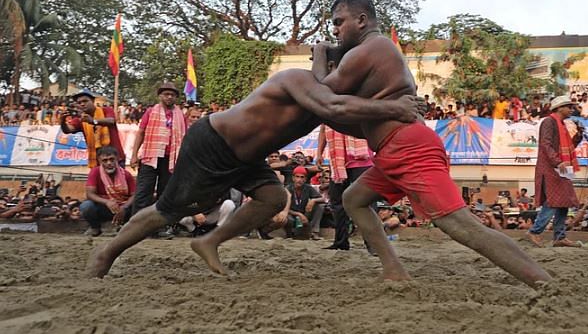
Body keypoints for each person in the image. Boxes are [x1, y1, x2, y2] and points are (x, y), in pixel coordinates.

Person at [86, 61, 423, 278]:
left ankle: (211, 242)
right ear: (332, 69)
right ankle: (107, 254)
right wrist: (393, 105)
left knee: (274, 197)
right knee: (168, 210)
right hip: (213, 143)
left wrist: (399, 120)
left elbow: (356, 124)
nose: (349, 82)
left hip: (247, 159)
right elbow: (334, 103)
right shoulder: (298, 80)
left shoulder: (324, 103)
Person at [310, 0, 550, 288]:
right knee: (353, 199)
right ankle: (394, 270)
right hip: (395, 149)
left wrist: (320, 54)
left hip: (409, 148)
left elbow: (320, 93)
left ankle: (543, 282)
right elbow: (351, 118)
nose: (335, 30)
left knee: (462, 227)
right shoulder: (374, 52)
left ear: (361, 20)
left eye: (339, 21)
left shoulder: (373, 48)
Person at [528, 95, 584, 248]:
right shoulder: (549, 122)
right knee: (553, 201)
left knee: (564, 201)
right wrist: (557, 161)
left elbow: (565, 147)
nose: (571, 109)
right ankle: (534, 231)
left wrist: (578, 137)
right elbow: (545, 145)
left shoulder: (561, 125)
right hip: (551, 167)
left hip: (560, 168)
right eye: (569, 107)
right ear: (559, 108)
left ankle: (559, 237)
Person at [129, 82, 187, 215]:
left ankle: (159, 226)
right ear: (160, 96)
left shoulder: (180, 115)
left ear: (175, 98)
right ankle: (136, 227)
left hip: (170, 159)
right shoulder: (150, 112)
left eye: (172, 95)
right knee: (143, 192)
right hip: (150, 156)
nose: (169, 97)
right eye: (166, 94)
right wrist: (134, 155)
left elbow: (184, 138)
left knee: (165, 193)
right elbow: (141, 133)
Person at [80, 146, 136, 236]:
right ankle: (95, 228)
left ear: (117, 159)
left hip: (123, 209)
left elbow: (134, 195)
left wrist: (124, 207)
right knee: (86, 206)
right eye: (105, 160)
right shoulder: (95, 172)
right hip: (104, 207)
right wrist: (107, 202)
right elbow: (90, 194)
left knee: (140, 204)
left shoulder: (126, 174)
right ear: (99, 161)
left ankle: (126, 227)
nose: (109, 163)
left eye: (112, 159)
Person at [61, 89, 125, 168]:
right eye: (79, 103)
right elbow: (68, 130)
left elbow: (111, 121)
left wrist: (93, 121)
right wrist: (62, 121)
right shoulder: (81, 119)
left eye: (85, 101)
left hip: (116, 158)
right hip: (97, 161)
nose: (82, 104)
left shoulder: (106, 110)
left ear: (93, 100)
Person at [285, 166, 325, 240]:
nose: (299, 180)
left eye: (302, 177)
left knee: (320, 206)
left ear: (305, 179)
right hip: (292, 214)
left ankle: (314, 232)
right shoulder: (288, 189)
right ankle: (291, 233)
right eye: (297, 177)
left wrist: (313, 200)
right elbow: (285, 208)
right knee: (288, 219)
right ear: (293, 178)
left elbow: (323, 199)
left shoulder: (308, 188)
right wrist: (299, 214)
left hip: (305, 213)